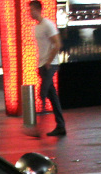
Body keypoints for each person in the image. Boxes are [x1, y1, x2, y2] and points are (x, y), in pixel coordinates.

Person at [28, 0, 66, 136]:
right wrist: (40, 64)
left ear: (38, 10)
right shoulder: (36, 27)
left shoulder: (48, 25)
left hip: (50, 64)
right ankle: (61, 126)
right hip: (42, 65)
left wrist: (49, 61)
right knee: (52, 96)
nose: (29, 13)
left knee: (43, 93)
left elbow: (57, 44)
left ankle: (38, 128)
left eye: (31, 10)